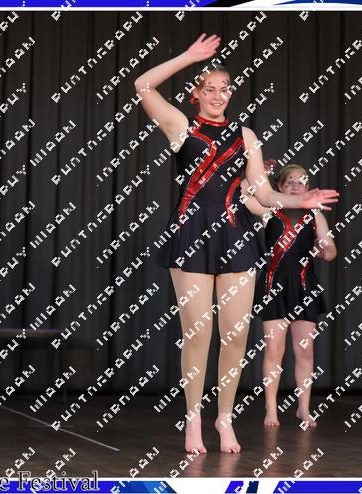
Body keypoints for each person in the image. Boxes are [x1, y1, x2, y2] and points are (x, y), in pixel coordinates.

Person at [134, 34, 339, 453]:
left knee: (236, 335)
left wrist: (300, 201)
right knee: (198, 334)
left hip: (235, 237)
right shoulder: (181, 126)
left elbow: (263, 193)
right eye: (208, 88)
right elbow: (143, 85)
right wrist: (188, 56)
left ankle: (223, 418)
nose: (217, 95)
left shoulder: (246, 136)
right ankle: (193, 419)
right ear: (195, 94)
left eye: (224, 89)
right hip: (191, 234)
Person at [244, 164, 337, 428]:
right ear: (279, 186)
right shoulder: (269, 209)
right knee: (274, 350)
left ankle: (303, 409)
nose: (296, 186)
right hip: (274, 285)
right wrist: (256, 172)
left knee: (305, 351)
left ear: (307, 187)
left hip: (304, 285)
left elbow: (331, 251)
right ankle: (271, 408)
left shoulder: (315, 215)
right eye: (290, 182)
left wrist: (324, 249)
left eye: (301, 182)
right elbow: (242, 193)